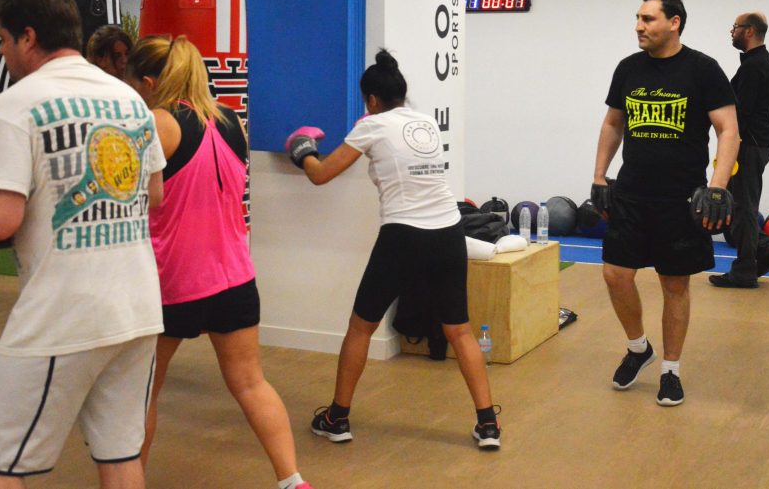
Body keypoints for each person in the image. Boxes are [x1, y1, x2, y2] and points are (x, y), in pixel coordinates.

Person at [0, 0, 165, 489]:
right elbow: (154, 197)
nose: (4, 54)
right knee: (119, 455)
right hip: (137, 307)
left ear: (28, 37)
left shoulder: (16, 104)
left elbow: (0, 220)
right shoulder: (130, 100)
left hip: (64, 312)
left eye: (4, 41)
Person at [289, 49, 501, 450]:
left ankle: (337, 418)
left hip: (403, 235)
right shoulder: (424, 122)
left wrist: (302, 149)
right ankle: (488, 425)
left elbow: (321, 175)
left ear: (371, 99)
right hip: (447, 232)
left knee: (361, 327)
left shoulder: (370, 127)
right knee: (460, 330)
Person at [126, 36, 313, 489]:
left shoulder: (157, 123)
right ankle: (293, 481)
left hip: (173, 282)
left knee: (139, 395)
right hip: (233, 279)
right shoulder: (232, 121)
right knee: (251, 385)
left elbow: (133, 197)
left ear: (149, 82)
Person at [591, 0, 739, 407]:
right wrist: (600, 174)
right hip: (632, 193)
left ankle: (670, 370)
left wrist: (718, 184)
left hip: (680, 198)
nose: (639, 26)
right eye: (637, 18)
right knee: (615, 275)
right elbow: (613, 123)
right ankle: (639, 348)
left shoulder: (703, 69)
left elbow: (728, 129)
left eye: (649, 19)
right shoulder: (628, 69)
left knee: (674, 284)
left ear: (674, 23)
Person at [710, 12, 769, 289]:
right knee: (740, 206)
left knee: (742, 207)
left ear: (749, 31)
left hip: (749, 145)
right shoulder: (756, 64)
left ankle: (745, 269)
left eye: (736, 27)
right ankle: (761, 249)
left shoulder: (755, 67)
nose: (732, 32)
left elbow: (740, 113)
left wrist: (728, 149)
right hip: (755, 143)